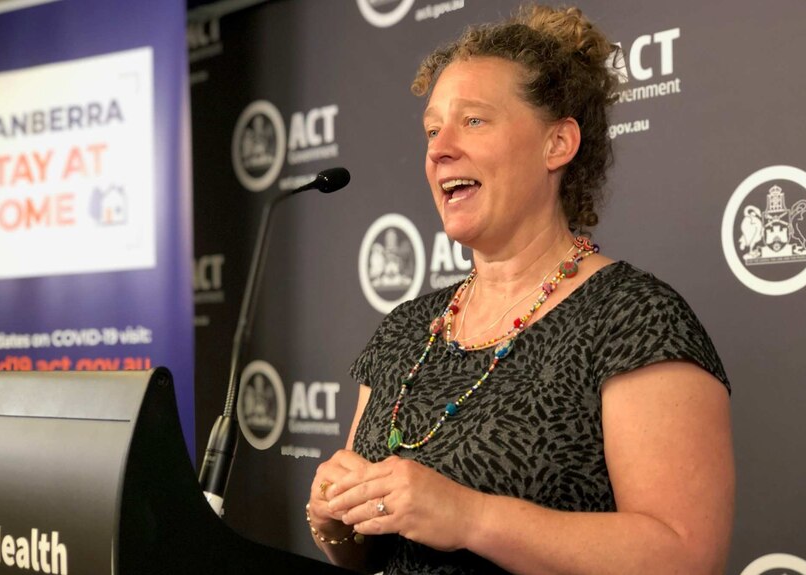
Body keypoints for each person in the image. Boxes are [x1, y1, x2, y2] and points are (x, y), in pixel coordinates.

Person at [306, 4, 734, 574]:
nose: (439, 149)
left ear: (557, 144)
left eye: (474, 121)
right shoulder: (405, 330)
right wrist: (335, 523)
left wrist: (470, 518)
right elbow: (363, 553)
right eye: (433, 129)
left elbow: (684, 556)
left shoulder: (634, 318)